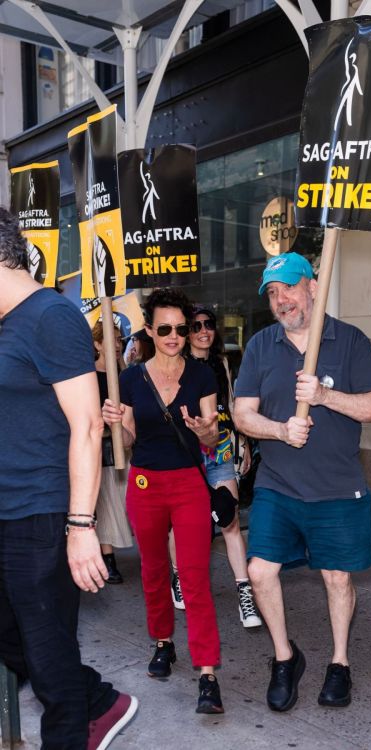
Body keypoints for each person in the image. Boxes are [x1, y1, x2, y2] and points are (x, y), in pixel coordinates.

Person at [0, 207, 137, 750]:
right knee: (22, 643)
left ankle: (79, 720)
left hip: (41, 511)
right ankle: (100, 700)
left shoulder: (51, 315)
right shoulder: (9, 324)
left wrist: (82, 527)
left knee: (48, 658)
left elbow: (85, 426)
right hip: (5, 508)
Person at [234, 251, 371, 713]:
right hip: (278, 485)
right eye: (274, 293)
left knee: (337, 578)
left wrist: (322, 395)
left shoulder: (351, 340)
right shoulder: (262, 345)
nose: (281, 300)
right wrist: (280, 429)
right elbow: (242, 414)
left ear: (313, 287)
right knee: (260, 572)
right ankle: (285, 657)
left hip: (337, 487)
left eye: (289, 288)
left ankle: (339, 662)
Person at [102, 288, 224, 714]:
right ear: (151, 330)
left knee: (194, 578)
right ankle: (163, 642)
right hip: (145, 485)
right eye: (166, 328)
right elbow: (131, 439)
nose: (175, 336)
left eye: (182, 328)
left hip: (189, 482)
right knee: (154, 571)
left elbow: (212, 436)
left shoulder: (201, 375)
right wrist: (118, 425)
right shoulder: (132, 379)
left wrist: (203, 430)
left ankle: (207, 673)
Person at [169, 305, 262, 628]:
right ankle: (179, 575)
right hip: (185, 455)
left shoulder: (222, 363)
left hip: (220, 451)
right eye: (196, 326)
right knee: (180, 525)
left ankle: (244, 593)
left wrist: (243, 440)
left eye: (209, 324)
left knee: (230, 520)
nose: (204, 331)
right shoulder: (177, 365)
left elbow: (232, 403)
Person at [92, 321, 133, 584]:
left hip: (130, 445)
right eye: (111, 339)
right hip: (102, 447)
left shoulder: (126, 375)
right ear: (97, 344)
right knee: (107, 503)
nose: (117, 345)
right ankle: (108, 558)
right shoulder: (89, 377)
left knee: (129, 500)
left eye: (119, 340)